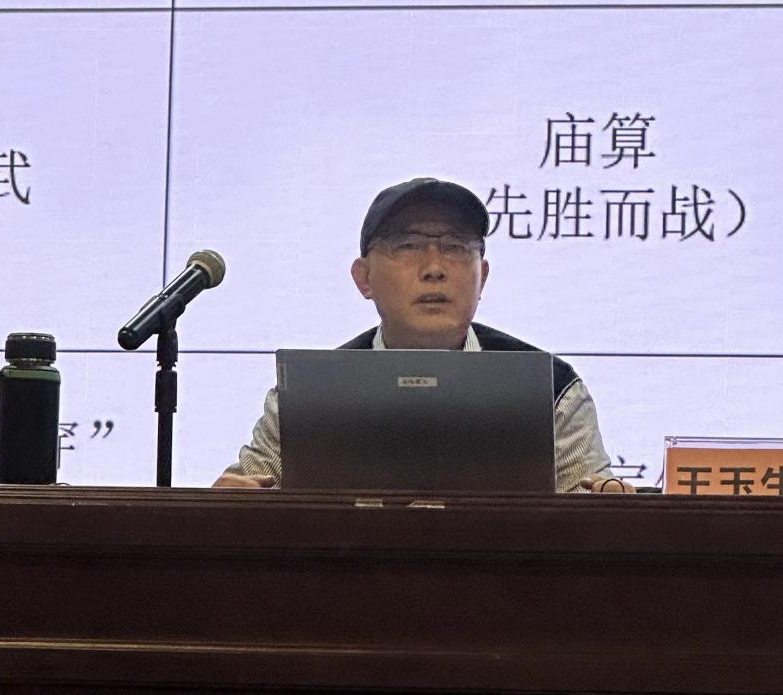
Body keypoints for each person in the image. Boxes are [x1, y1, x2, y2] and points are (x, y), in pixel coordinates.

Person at [214, 177, 631, 493]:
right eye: (408, 246)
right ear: (364, 278)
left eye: (455, 246)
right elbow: (246, 495)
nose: (434, 268)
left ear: (482, 276)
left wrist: (607, 506)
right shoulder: (309, 396)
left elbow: (590, 511)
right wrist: (229, 504)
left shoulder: (549, 387)